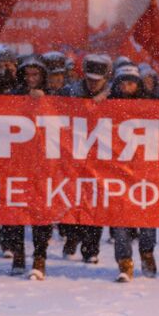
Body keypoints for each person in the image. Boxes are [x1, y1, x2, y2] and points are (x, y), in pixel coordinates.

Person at [3, 55, 55, 279]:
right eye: (28, 75)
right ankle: (18, 254)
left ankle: (39, 257)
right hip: (18, 163)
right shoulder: (13, 96)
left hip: (44, 165)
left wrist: (45, 102)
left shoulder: (53, 96)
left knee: (41, 213)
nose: (32, 79)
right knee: (16, 212)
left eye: (36, 75)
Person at [106, 65, 158, 281]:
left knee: (148, 216)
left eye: (131, 82)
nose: (127, 87)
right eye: (123, 82)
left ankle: (147, 253)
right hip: (117, 170)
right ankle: (124, 262)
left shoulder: (151, 104)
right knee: (119, 218)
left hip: (145, 169)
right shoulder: (107, 104)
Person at [62, 54, 113, 264]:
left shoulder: (113, 94)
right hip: (73, 156)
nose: (93, 84)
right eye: (90, 79)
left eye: (97, 81)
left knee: (96, 205)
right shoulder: (69, 92)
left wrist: (109, 101)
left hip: (100, 159)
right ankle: (72, 238)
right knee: (73, 201)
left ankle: (91, 249)